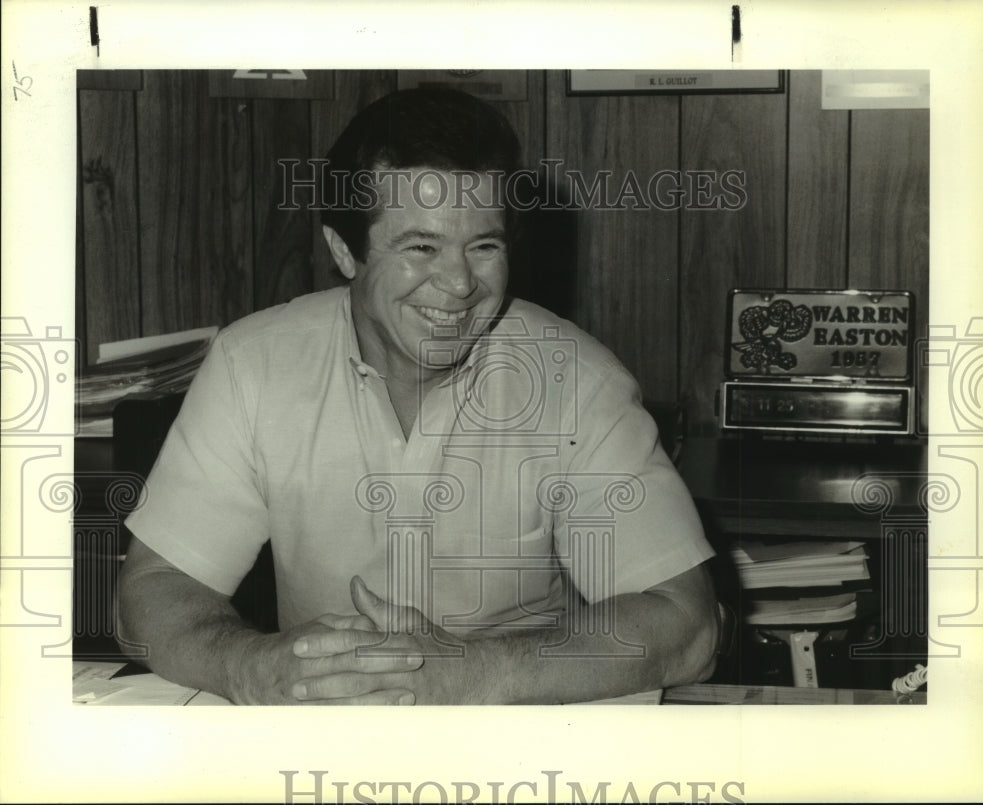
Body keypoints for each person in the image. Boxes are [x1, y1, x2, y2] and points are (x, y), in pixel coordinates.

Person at [117, 88, 721, 705]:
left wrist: (472, 674)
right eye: (421, 248)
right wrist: (246, 666)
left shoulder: (578, 382)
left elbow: (688, 626)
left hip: (524, 728)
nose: (460, 285)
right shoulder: (252, 365)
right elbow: (155, 587)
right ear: (345, 250)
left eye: (484, 246)